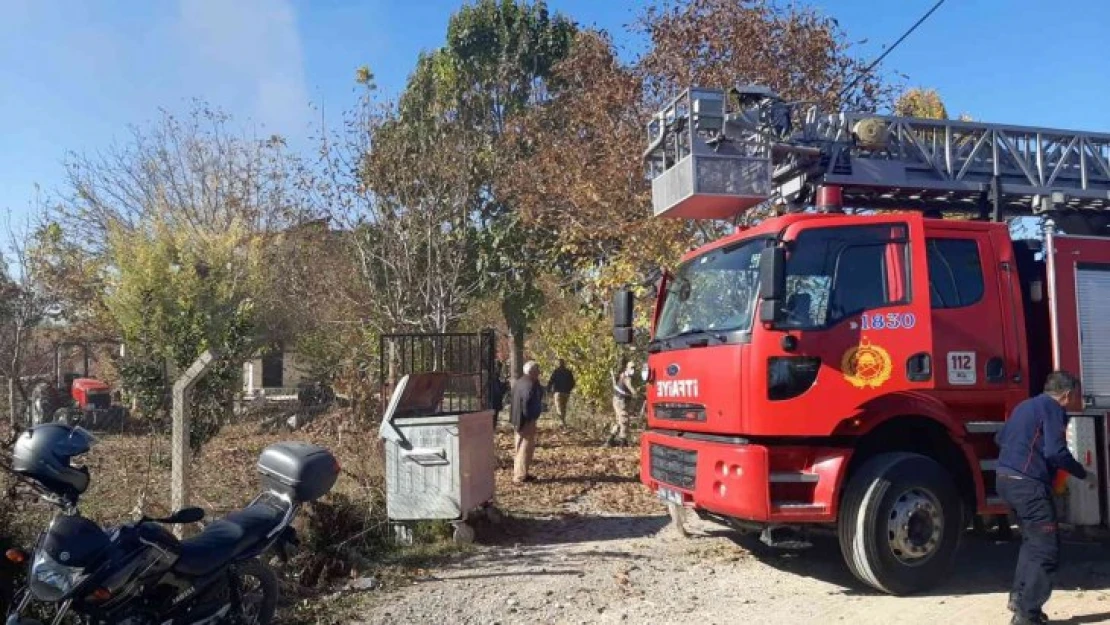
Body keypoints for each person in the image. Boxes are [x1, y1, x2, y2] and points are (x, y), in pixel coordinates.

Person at [995, 371, 1094, 625]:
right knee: (1046, 550)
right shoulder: (1052, 409)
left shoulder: (1025, 406)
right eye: (1074, 398)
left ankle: (1019, 598)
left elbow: (1000, 437)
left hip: (1005, 480)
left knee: (1032, 542)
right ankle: (1027, 615)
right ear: (1067, 395)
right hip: (1029, 486)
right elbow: (1055, 451)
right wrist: (1083, 473)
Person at [510, 360, 544, 483]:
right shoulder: (529, 385)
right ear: (531, 372)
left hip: (518, 419)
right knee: (525, 448)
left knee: (520, 447)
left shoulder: (520, 382)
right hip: (526, 420)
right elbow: (527, 402)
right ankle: (520, 476)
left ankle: (522, 473)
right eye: (537, 370)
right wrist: (532, 416)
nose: (539, 373)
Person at [606, 360, 636, 447]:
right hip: (621, 401)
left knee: (619, 421)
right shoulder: (627, 377)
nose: (633, 369)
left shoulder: (623, 375)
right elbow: (630, 386)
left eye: (634, 368)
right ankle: (622, 441)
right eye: (631, 367)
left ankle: (610, 440)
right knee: (624, 420)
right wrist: (636, 394)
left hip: (618, 400)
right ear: (627, 368)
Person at [547, 358, 577, 426]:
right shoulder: (568, 372)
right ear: (564, 363)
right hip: (566, 393)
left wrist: (548, 390)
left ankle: (562, 422)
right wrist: (569, 389)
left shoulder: (556, 371)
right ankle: (563, 422)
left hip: (558, 393)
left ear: (558, 364)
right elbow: (573, 383)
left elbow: (551, 381)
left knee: (559, 407)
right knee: (563, 407)